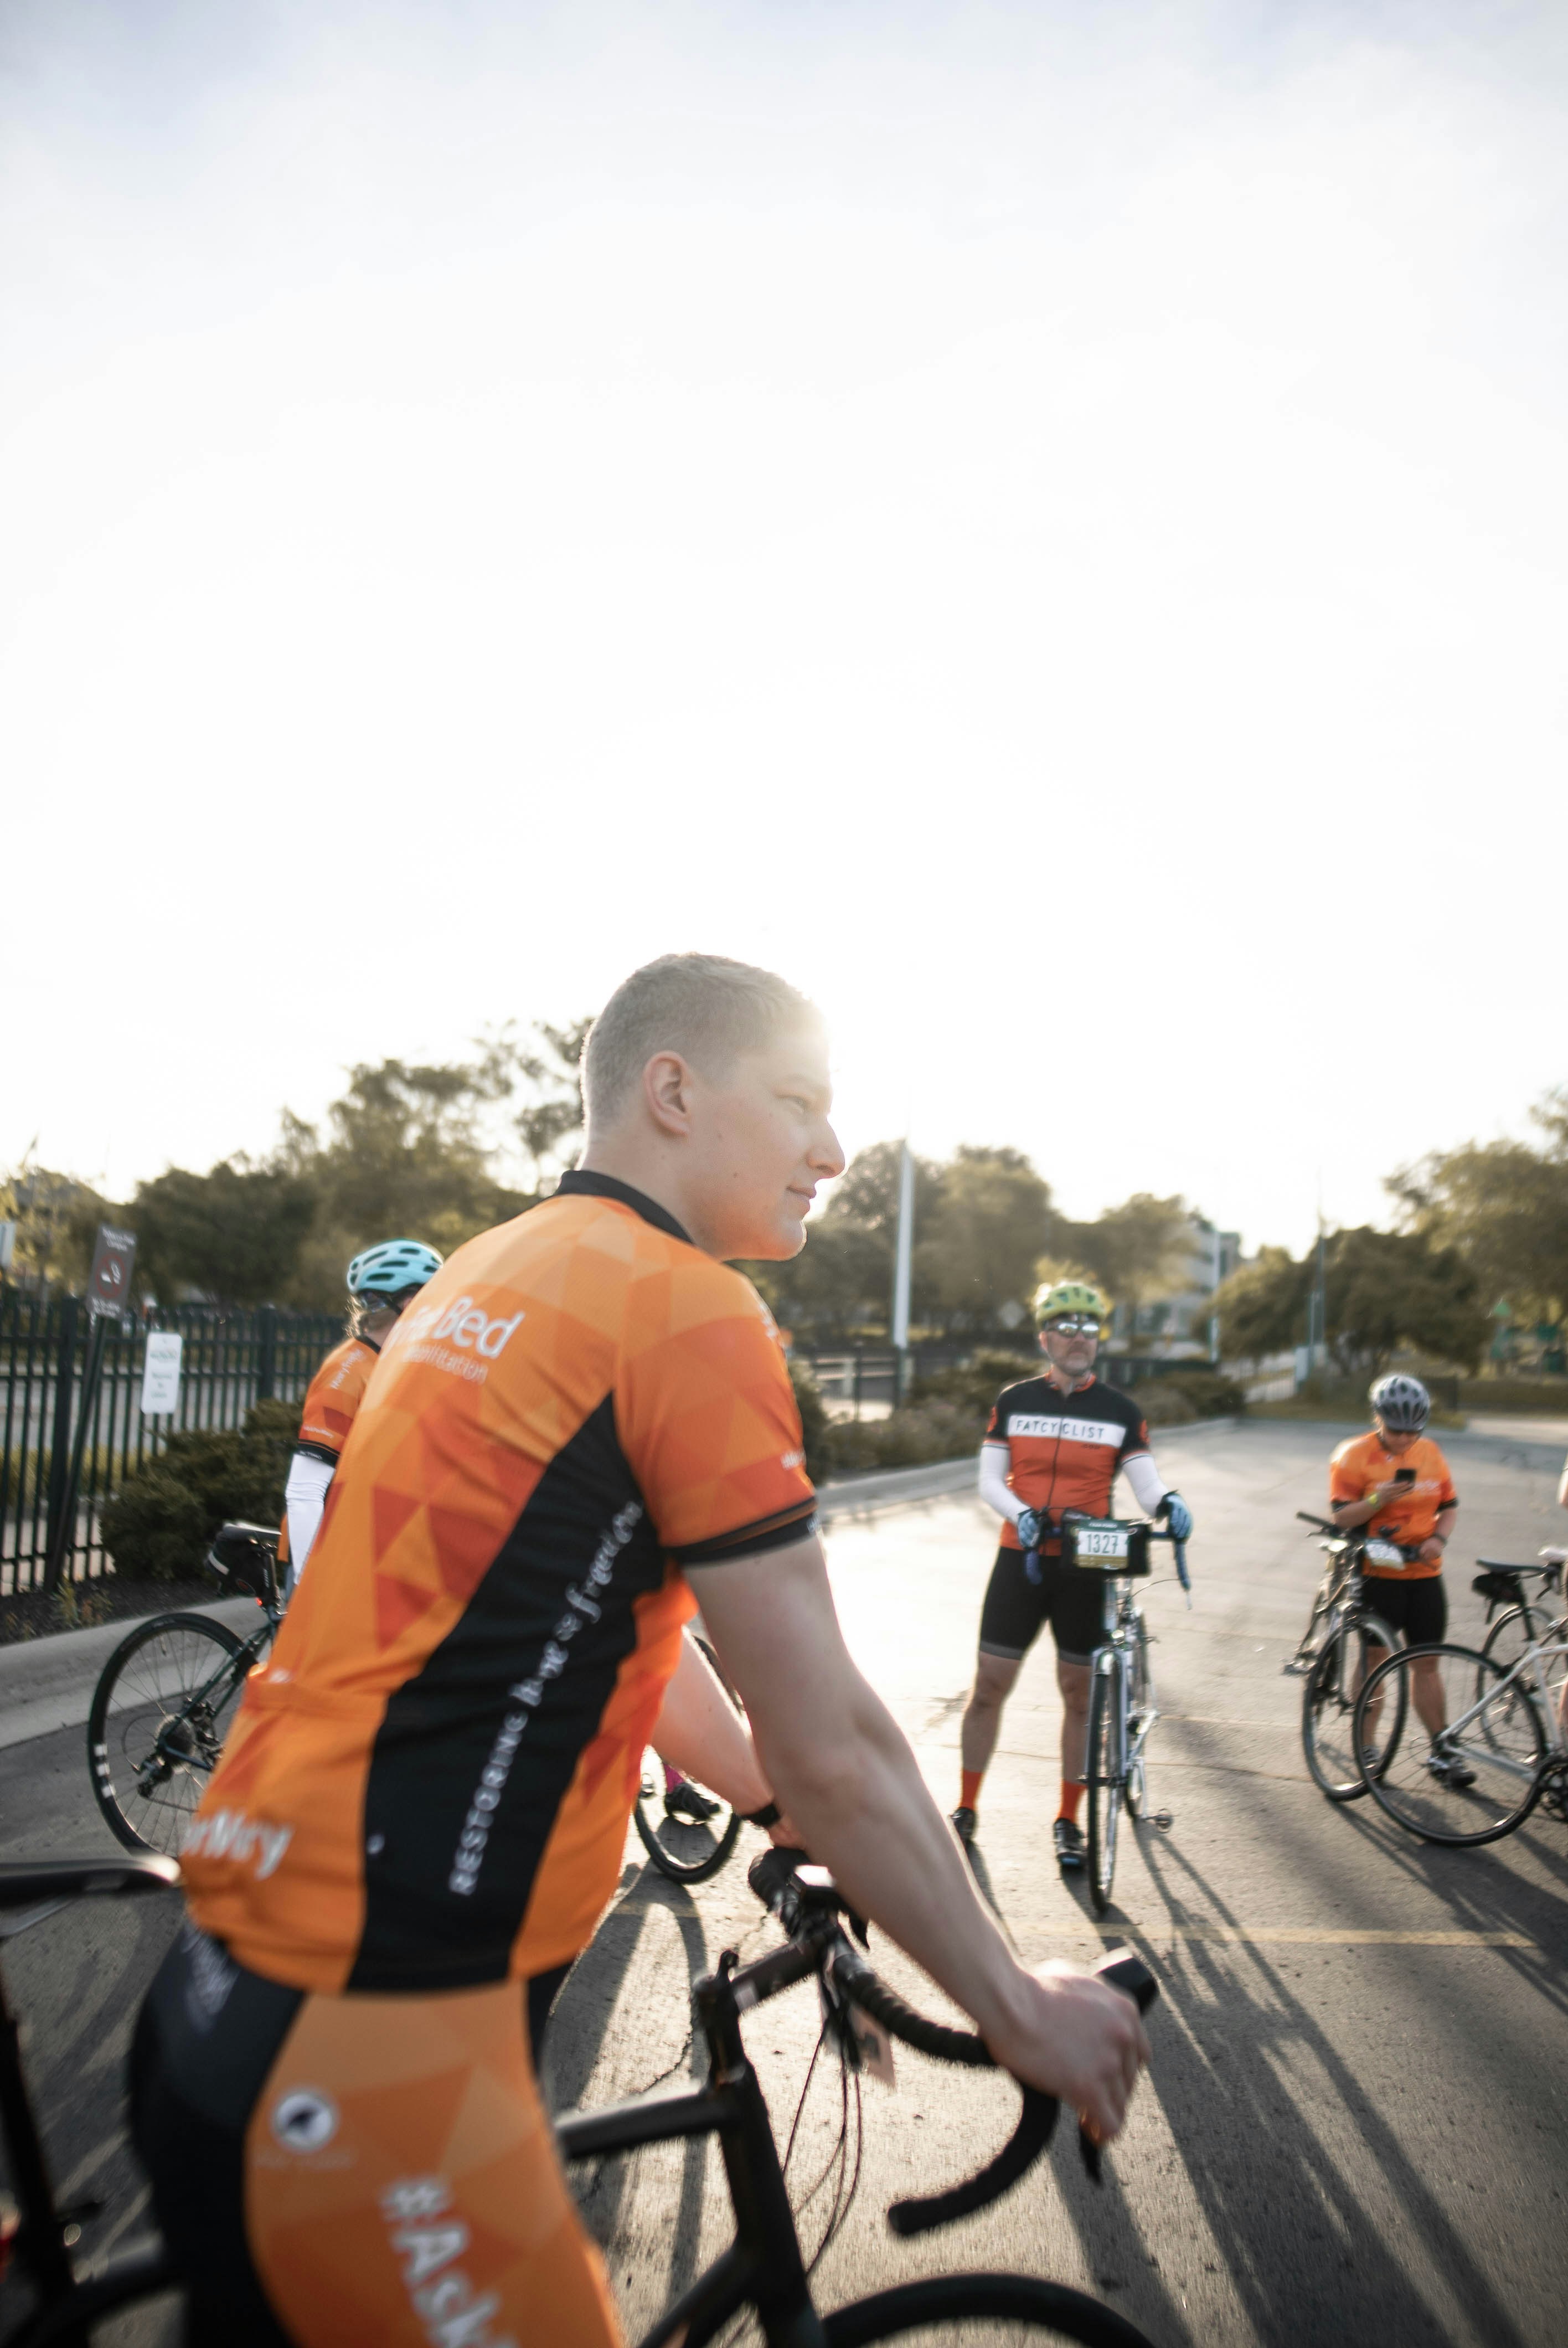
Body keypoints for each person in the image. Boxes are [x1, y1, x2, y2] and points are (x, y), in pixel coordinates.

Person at [130, 955, 1149, 2348]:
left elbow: (630, 1645)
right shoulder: (682, 1305)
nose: (833, 1151)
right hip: (370, 2055)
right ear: (672, 1090)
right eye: (797, 1101)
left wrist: (775, 1811)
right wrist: (1012, 1995)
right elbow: (834, 1735)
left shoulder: (487, 1272)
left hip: (227, 1987)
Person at [953, 1280, 1194, 1871]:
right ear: (1045, 1337)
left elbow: (1144, 1482)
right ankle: (964, 1807)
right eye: (1067, 1327)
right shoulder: (1014, 1401)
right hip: (1023, 1556)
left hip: (1089, 1559)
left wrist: (1168, 1503)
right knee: (988, 1687)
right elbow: (990, 1481)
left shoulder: (1121, 1411)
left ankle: (1068, 1820)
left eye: (1089, 1328)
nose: (1079, 1338)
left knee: (1078, 1695)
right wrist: (1023, 1515)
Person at [277, 1239, 445, 1593]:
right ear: (409, 1302)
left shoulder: (405, 1364)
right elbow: (305, 1490)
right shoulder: (349, 1371)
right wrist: (312, 1583)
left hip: (377, 1554)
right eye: (433, 1297)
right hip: (328, 1561)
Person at [1329, 1374, 1467, 1780]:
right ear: (1378, 1419)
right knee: (1375, 1662)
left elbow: (1450, 1507)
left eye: (1413, 1431)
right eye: (1396, 1430)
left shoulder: (1431, 1453)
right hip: (1379, 1571)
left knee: (1427, 1664)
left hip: (1424, 1572)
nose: (1405, 1439)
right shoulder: (1353, 1455)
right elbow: (1341, 1516)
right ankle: (1367, 1745)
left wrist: (1439, 1538)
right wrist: (1377, 1500)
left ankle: (1442, 1751)